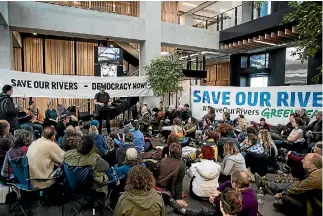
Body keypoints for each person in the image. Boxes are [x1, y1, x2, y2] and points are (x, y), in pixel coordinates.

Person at [256, 153, 322, 216]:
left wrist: (281, 194)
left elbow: (297, 189)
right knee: (292, 185)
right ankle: (269, 185)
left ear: (312, 166)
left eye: (305, 160)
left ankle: (288, 209)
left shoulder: (315, 178)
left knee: (286, 196)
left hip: (314, 207)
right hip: (310, 196)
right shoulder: (317, 173)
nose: (302, 160)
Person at [178, 171, 257, 216]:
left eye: (232, 181)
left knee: (206, 213)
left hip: (233, 213)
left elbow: (227, 206)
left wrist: (215, 199)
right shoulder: (244, 185)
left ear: (235, 184)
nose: (230, 181)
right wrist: (218, 189)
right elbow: (227, 183)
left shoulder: (247, 199)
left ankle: (186, 212)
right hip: (230, 210)